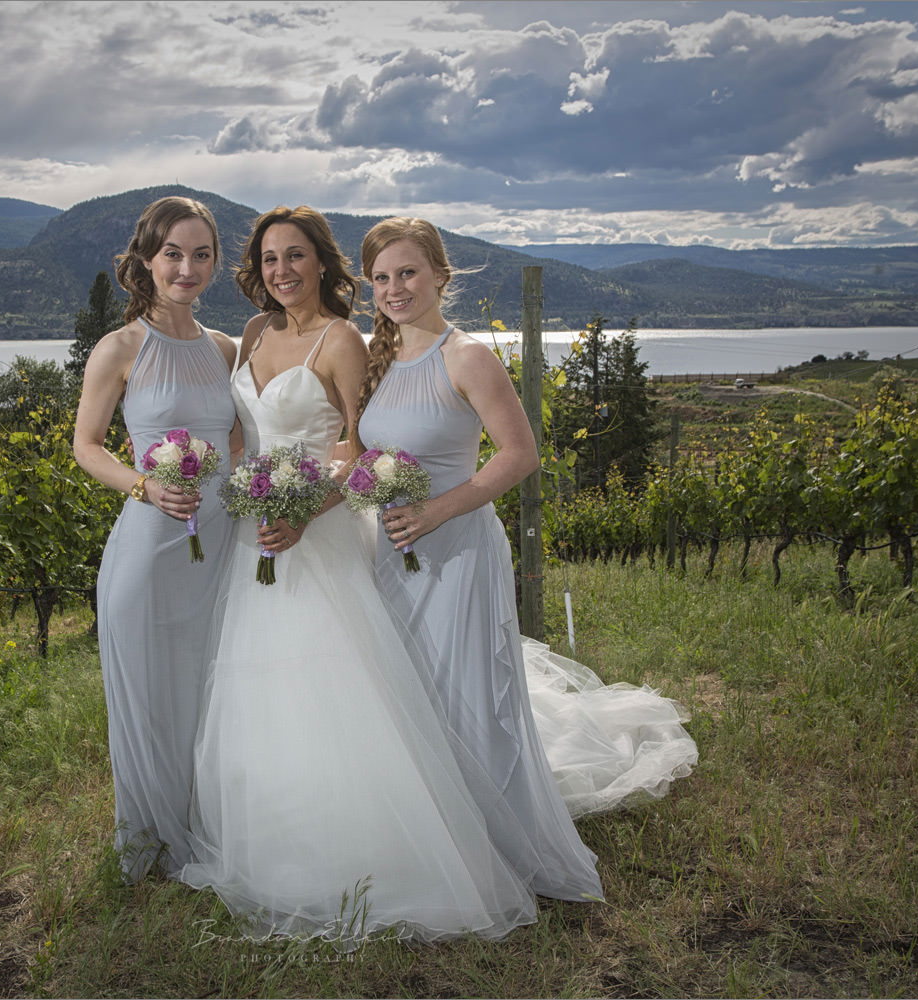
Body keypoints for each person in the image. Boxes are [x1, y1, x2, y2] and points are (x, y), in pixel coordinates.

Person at [178, 206, 583, 944]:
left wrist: (309, 507)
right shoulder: (302, 340)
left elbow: (374, 451)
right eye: (269, 259)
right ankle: (293, 825)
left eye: (295, 255)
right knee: (358, 688)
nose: (282, 270)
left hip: (380, 537)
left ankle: (488, 842)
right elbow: (346, 449)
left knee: (433, 693)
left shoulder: (370, 345)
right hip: (296, 537)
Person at [355, 218, 698, 885]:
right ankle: (429, 829)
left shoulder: (466, 358)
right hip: (392, 551)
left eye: (408, 272)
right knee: (409, 690)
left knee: (468, 696)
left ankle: (496, 841)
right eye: (381, 278)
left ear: (440, 276)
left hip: (456, 549)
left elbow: (519, 454)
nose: (395, 288)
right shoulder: (380, 359)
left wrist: (436, 511)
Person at [72, 196, 240, 881]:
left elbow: (238, 440)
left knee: (209, 687)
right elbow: (86, 446)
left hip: (222, 545)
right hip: (150, 545)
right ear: (146, 259)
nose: (186, 268)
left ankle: (208, 823)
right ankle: (151, 840)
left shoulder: (226, 349)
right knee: (149, 695)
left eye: (201, 255)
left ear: (216, 263)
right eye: (173, 254)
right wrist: (144, 484)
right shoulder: (120, 347)